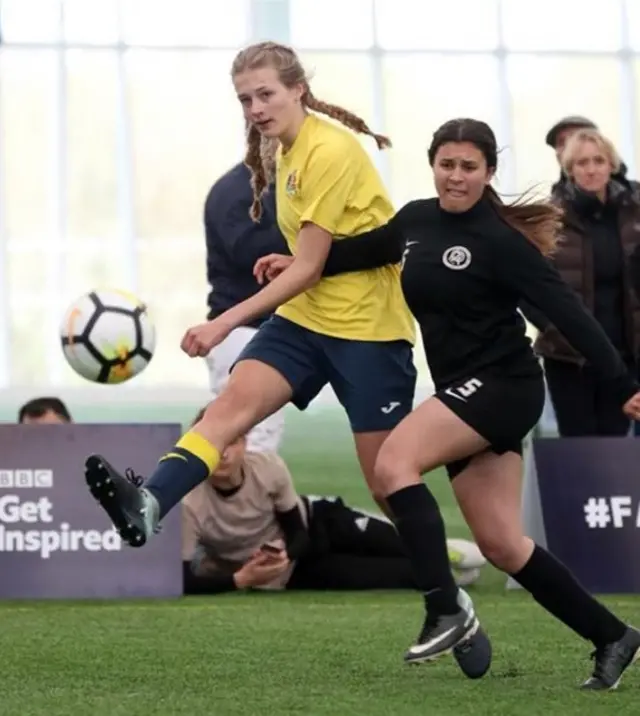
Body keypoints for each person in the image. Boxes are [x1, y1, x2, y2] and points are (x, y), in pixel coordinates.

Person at [81, 42, 491, 678]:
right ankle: (149, 504)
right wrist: (290, 264)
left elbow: (310, 266)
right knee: (226, 413)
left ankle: (447, 603)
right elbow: (310, 258)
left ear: (299, 88)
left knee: (389, 481)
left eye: (265, 94)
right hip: (305, 322)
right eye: (245, 99)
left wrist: (223, 321)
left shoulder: (328, 148)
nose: (255, 108)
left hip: (366, 332)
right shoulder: (288, 154)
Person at [261, 117, 640, 690]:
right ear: (433, 164)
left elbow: (570, 316)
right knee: (501, 545)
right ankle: (613, 636)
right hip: (463, 392)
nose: (455, 176)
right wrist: (299, 264)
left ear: (488, 173)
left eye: (469, 167)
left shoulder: (503, 242)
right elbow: (361, 252)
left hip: (506, 387)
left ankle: (445, 607)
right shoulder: (415, 221)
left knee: (392, 465)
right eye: (447, 164)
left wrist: (624, 386)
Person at [182, 422, 486, 595]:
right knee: (394, 575)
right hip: (294, 574)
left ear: (244, 443)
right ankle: (450, 577)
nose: (221, 453)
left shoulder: (267, 467)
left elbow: (297, 530)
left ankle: (440, 549)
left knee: (393, 541)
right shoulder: (189, 503)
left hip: (317, 522)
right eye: (211, 445)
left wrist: (284, 552)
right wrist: (243, 579)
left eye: (229, 443)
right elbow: (179, 578)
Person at [524, 128, 640, 436]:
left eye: (598, 161)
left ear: (611, 165)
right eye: (582, 163)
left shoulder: (633, 211)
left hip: (623, 355)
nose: (591, 169)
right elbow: (525, 284)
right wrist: (552, 327)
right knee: (578, 449)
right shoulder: (549, 216)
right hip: (568, 356)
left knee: (615, 448)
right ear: (569, 169)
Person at [203, 157, 290, 453]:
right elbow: (251, 256)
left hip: (261, 331)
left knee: (251, 441)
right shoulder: (236, 192)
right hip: (243, 333)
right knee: (251, 444)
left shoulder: (280, 188)